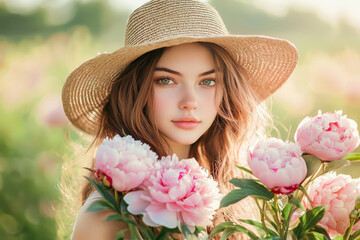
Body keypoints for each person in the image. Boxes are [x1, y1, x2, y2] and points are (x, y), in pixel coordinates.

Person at [62, 0, 298, 239]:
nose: (190, 101)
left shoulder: (221, 198)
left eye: (208, 81)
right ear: (134, 91)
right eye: (166, 80)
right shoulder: (105, 215)